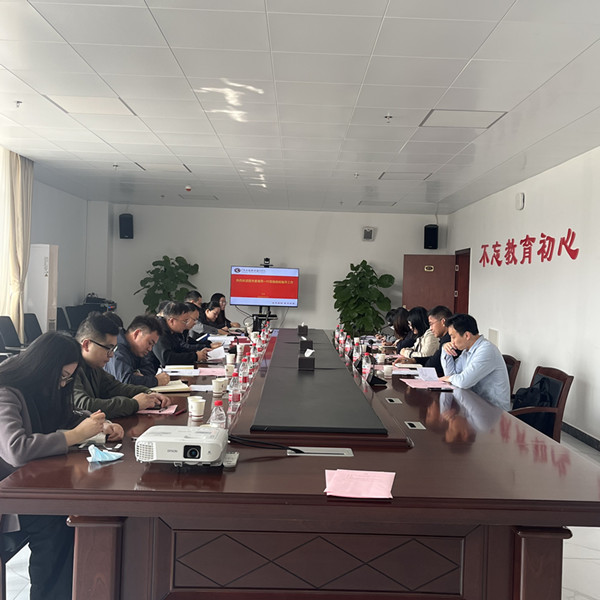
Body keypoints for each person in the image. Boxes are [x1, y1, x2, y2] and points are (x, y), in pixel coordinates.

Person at [0, 332, 123, 600]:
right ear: (42, 367)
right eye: (62, 377)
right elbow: (16, 450)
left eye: (68, 379)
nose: (62, 384)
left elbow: (65, 415)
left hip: (31, 485)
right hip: (10, 494)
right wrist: (76, 435)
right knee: (59, 526)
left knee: (76, 516)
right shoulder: (5, 390)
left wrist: (99, 425)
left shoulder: (41, 387)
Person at [74, 313, 171, 418]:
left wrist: (148, 393)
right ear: (86, 345)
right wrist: (135, 404)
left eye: (113, 349)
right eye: (108, 348)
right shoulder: (68, 367)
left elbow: (117, 387)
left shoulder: (94, 366)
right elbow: (84, 406)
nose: (111, 355)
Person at [440, 313, 511, 410]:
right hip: (475, 405)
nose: (452, 342)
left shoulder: (486, 350)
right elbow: (451, 375)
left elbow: (463, 382)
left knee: (446, 413)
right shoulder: (467, 351)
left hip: (494, 411)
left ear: (467, 335)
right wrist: (445, 350)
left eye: (453, 337)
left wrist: (449, 378)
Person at [104, 315, 170, 387]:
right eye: (149, 343)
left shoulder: (138, 350)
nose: (150, 349)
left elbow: (150, 370)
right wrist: (156, 381)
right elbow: (125, 381)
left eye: (152, 345)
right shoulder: (117, 348)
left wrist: (137, 374)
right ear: (136, 334)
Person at [396, 306, 453, 376]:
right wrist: (413, 360)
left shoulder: (449, 339)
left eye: (431, 324)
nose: (431, 328)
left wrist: (411, 357)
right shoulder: (443, 338)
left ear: (443, 322)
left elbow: (433, 363)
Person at [153, 301, 211, 366]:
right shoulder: (159, 331)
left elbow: (180, 348)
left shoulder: (172, 331)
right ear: (172, 321)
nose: (186, 324)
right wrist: (195, 356)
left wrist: (199, 353)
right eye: (185, 321)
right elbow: (166, 359)